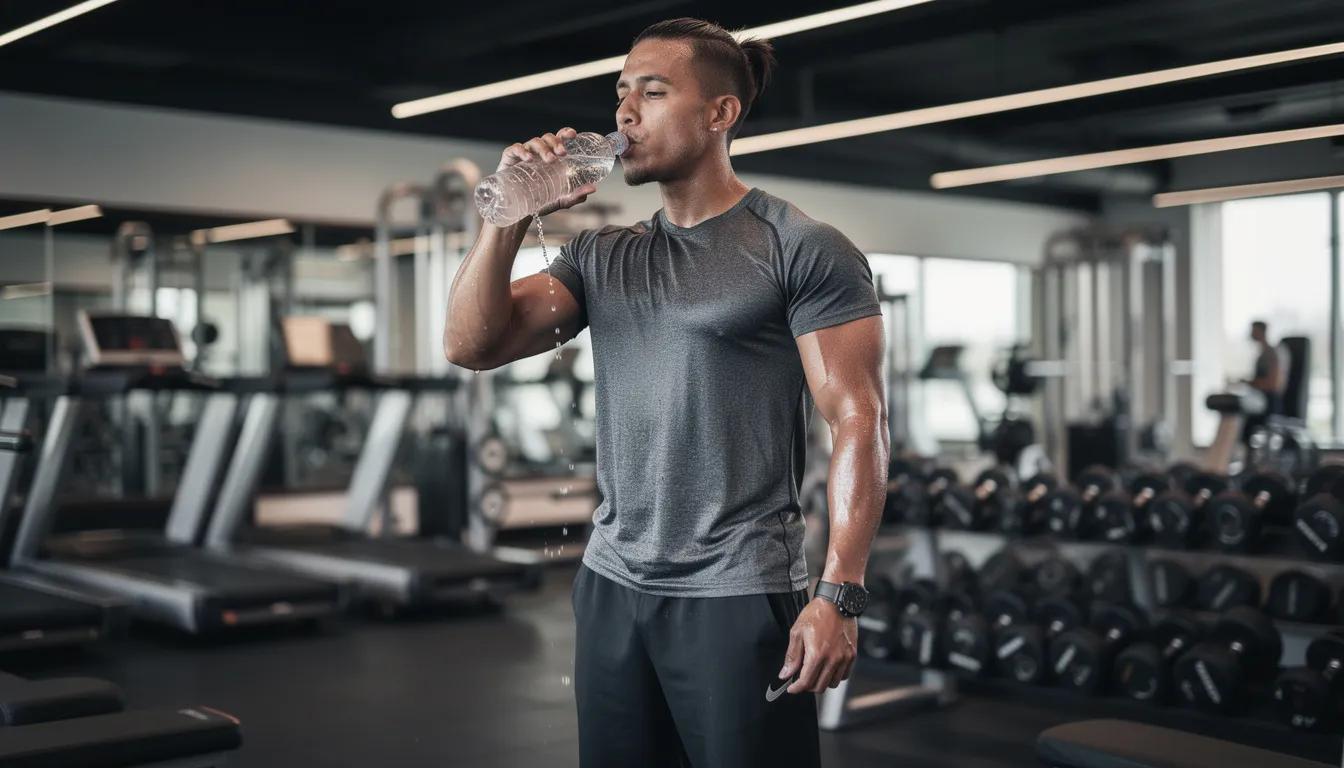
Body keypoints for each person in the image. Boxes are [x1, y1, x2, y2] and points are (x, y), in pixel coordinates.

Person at [443, 17, 888, 768]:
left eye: (651, 92)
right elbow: (470, 344)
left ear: (721, 113)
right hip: (612, 583)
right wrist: (508, 220)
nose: (625, 113)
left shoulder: (799, 247)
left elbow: (857, 417)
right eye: (620, 94)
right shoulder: (601, 256)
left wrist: (839, 591)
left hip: (738, 590)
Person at [1242, 320, 1288, 448]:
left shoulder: (1273, 353)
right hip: (1260, 401)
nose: (1250, 334)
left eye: (1253, 331)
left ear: (1262, 332)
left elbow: (1274, 384)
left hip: (1271, 403)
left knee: (1247, 428)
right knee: (1243, 427)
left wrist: (1251, 383)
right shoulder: (1262, 354)